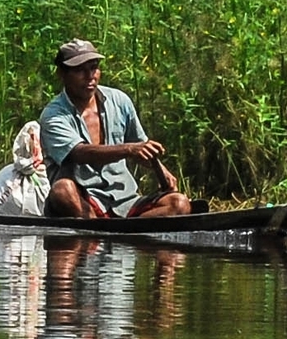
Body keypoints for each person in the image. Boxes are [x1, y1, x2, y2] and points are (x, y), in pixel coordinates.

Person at [38, 39, 191, 220]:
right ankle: (99, 229)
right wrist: (129, 150)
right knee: (62, 190)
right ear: (61, 74)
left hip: (124, 200)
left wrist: (161, 170)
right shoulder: (53, 115)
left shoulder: (119, 100)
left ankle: (128, 232)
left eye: (94, 68)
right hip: (84, 200)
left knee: (179, 204)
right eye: (80, 70)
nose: (90, 76)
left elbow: (141, 146)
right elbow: (79, 153)